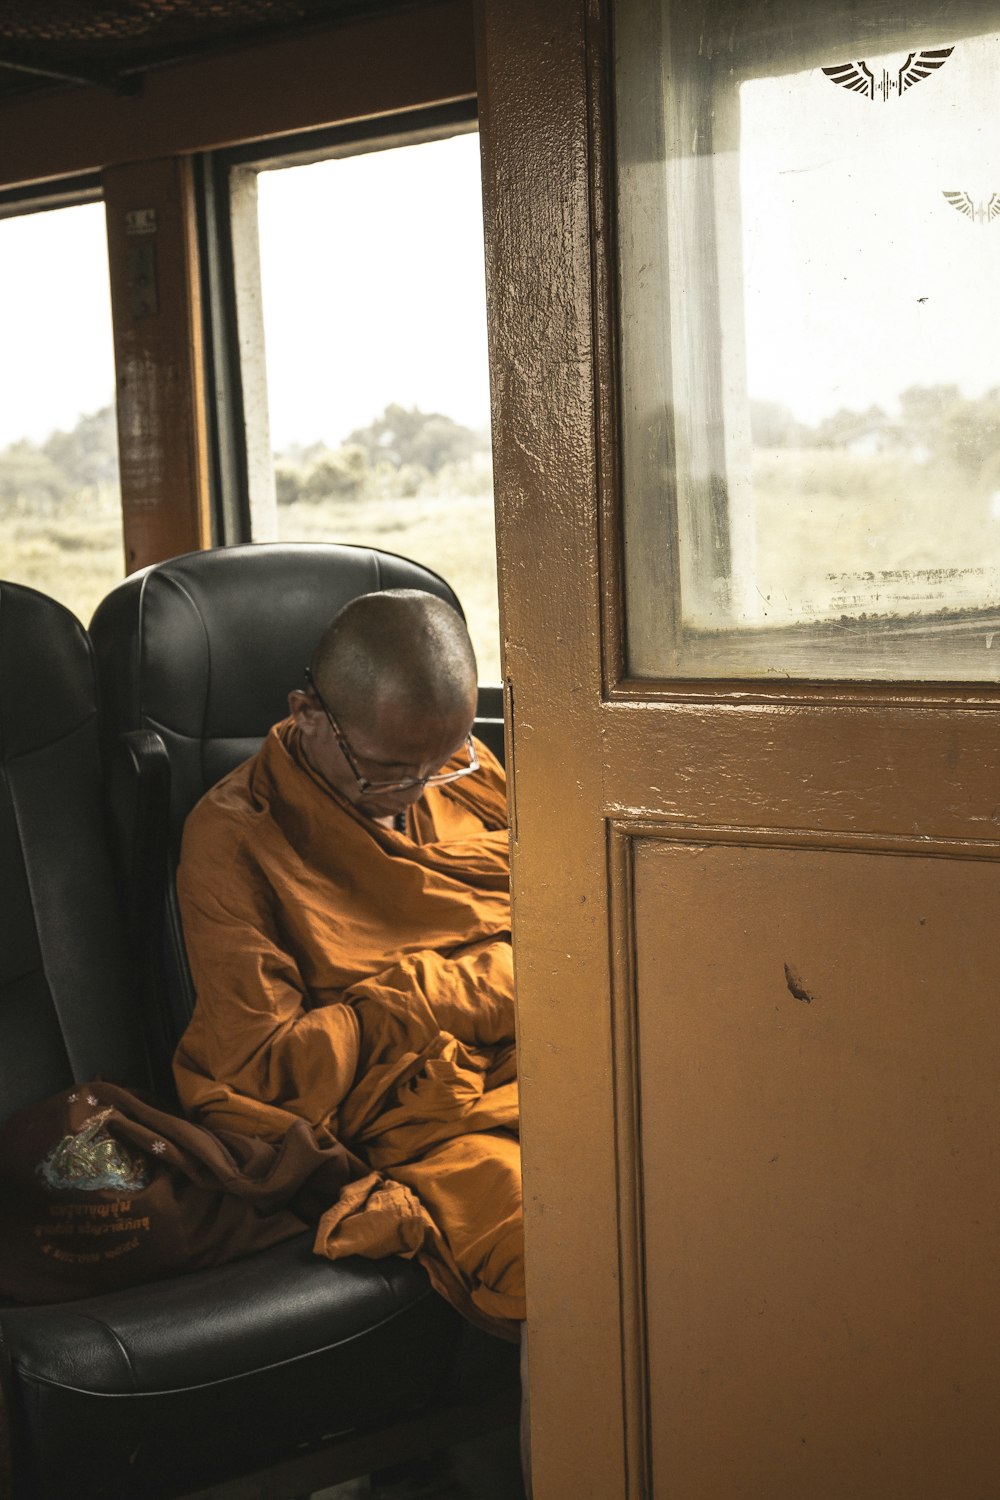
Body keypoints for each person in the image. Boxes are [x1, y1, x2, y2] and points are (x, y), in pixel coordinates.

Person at [172, 588, 524, 1345]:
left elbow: (570, 922)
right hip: (427, 1120)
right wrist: (451, 991)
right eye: (386, 770)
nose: (414, 792)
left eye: (444, 760)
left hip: (554, 1059)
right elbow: (263, 1067)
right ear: (307, 713)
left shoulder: (470, 774)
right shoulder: (236, 841)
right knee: (569, 1245)